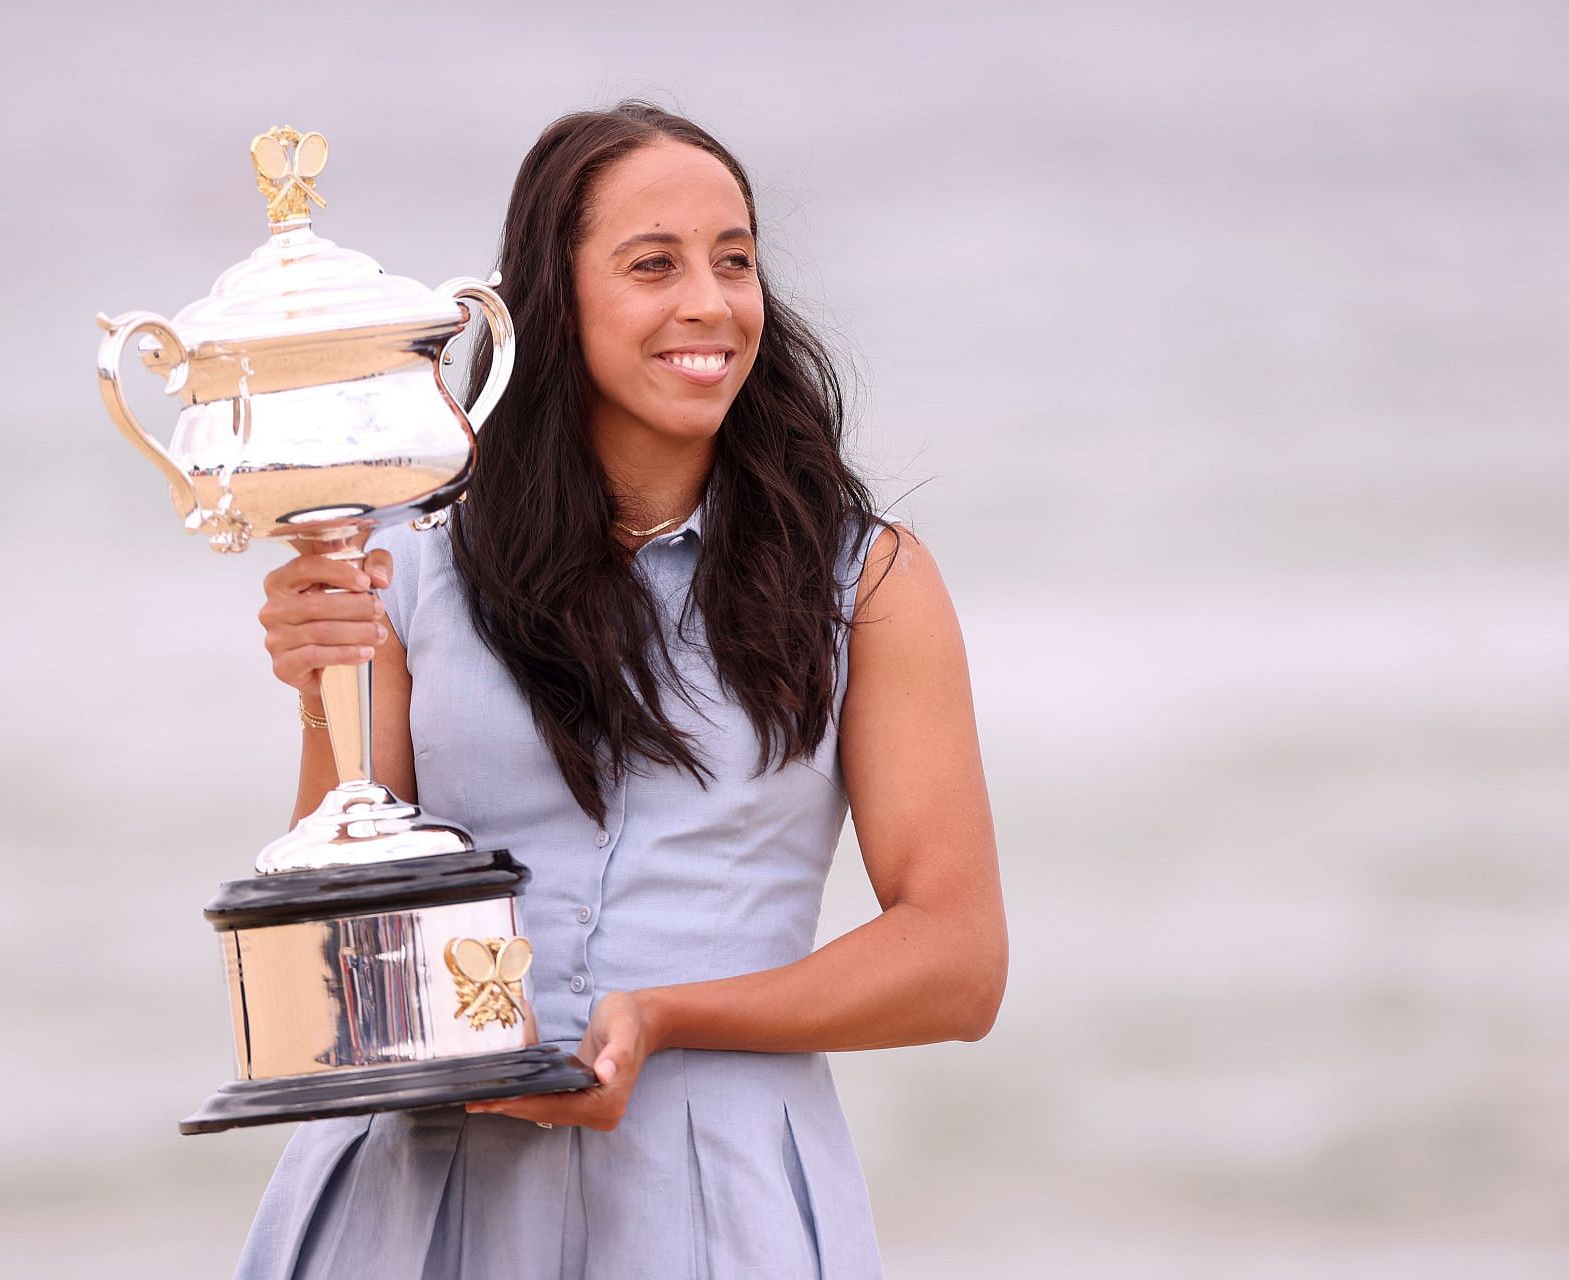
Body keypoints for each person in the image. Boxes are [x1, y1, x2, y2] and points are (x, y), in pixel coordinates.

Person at [237, 101, 1007, 1280]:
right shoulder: (407, 560)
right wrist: (318, 679)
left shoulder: (869, 581)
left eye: (735, 260)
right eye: (654, 264)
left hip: (716, 1194)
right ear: (554, 299)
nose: (710, 301)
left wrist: (665, 1014)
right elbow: (344, 927)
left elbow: (957, 960)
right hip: (419, 1190)